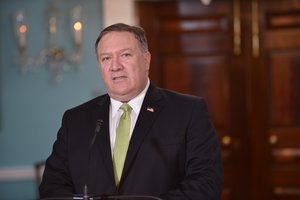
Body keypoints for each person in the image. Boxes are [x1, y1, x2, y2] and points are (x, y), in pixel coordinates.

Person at [39, 23, 223, 200]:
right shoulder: (75, 120)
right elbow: (52, 185)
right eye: (106, 58)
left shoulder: (188, 111)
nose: (115, 66)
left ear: (146, 60)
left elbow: (205, 184)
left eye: (125, 55)